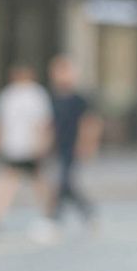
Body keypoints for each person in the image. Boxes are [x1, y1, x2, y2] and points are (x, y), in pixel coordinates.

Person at [0, 64, 54, 237]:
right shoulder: (35, 94)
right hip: (24, 146)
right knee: (32, 182)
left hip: (14, 146)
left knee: (13, 181)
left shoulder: (9, 94)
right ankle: (50, 212)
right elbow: (42, 123)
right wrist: (43, 143)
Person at [46, 55, 102, 228]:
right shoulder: (53, 98)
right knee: (67, 184)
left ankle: (54, 218)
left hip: (73, 146)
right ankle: (88, 213)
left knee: (64, 181)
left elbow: (91, 123)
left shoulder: (79, 99)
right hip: (60, 147)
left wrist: (87, 144)